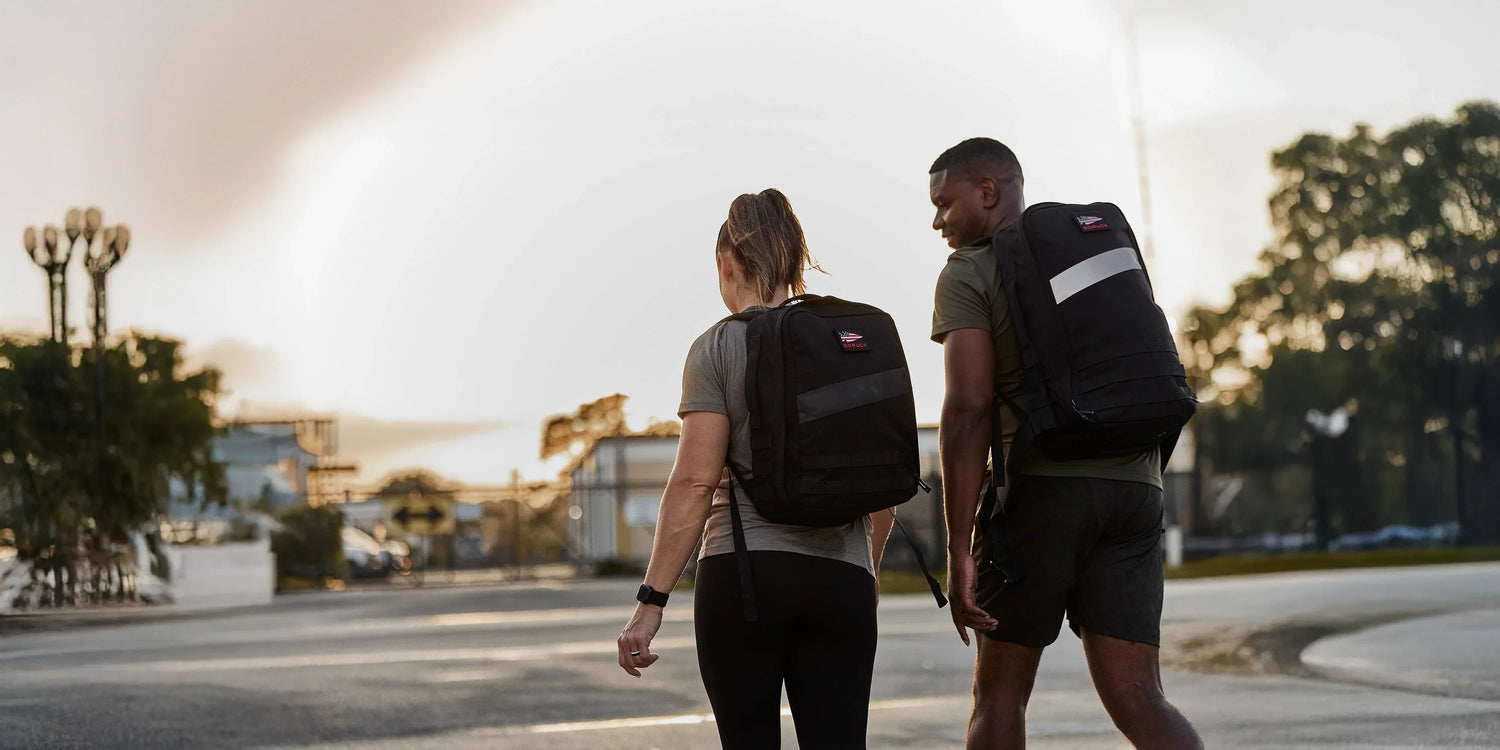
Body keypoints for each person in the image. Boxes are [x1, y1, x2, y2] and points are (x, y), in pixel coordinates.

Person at [928, 137, 1203, 749]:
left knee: (1000, 696)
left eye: (945, 203)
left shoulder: (971, 270)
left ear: (987, 192)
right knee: (1139, 694)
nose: (938, 221)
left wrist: (958, 546)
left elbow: (968, 410)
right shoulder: (1094, 253)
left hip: (1045, 490)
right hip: (1137, 490)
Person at [616, 188, 896, 749]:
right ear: (794, 262)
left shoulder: (717, 346)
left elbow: (695, 482)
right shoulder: (852, 342)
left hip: (745, 579)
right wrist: (865, 570)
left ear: (727, 264)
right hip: (841, 578)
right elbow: (881, 486)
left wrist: (650, 603)